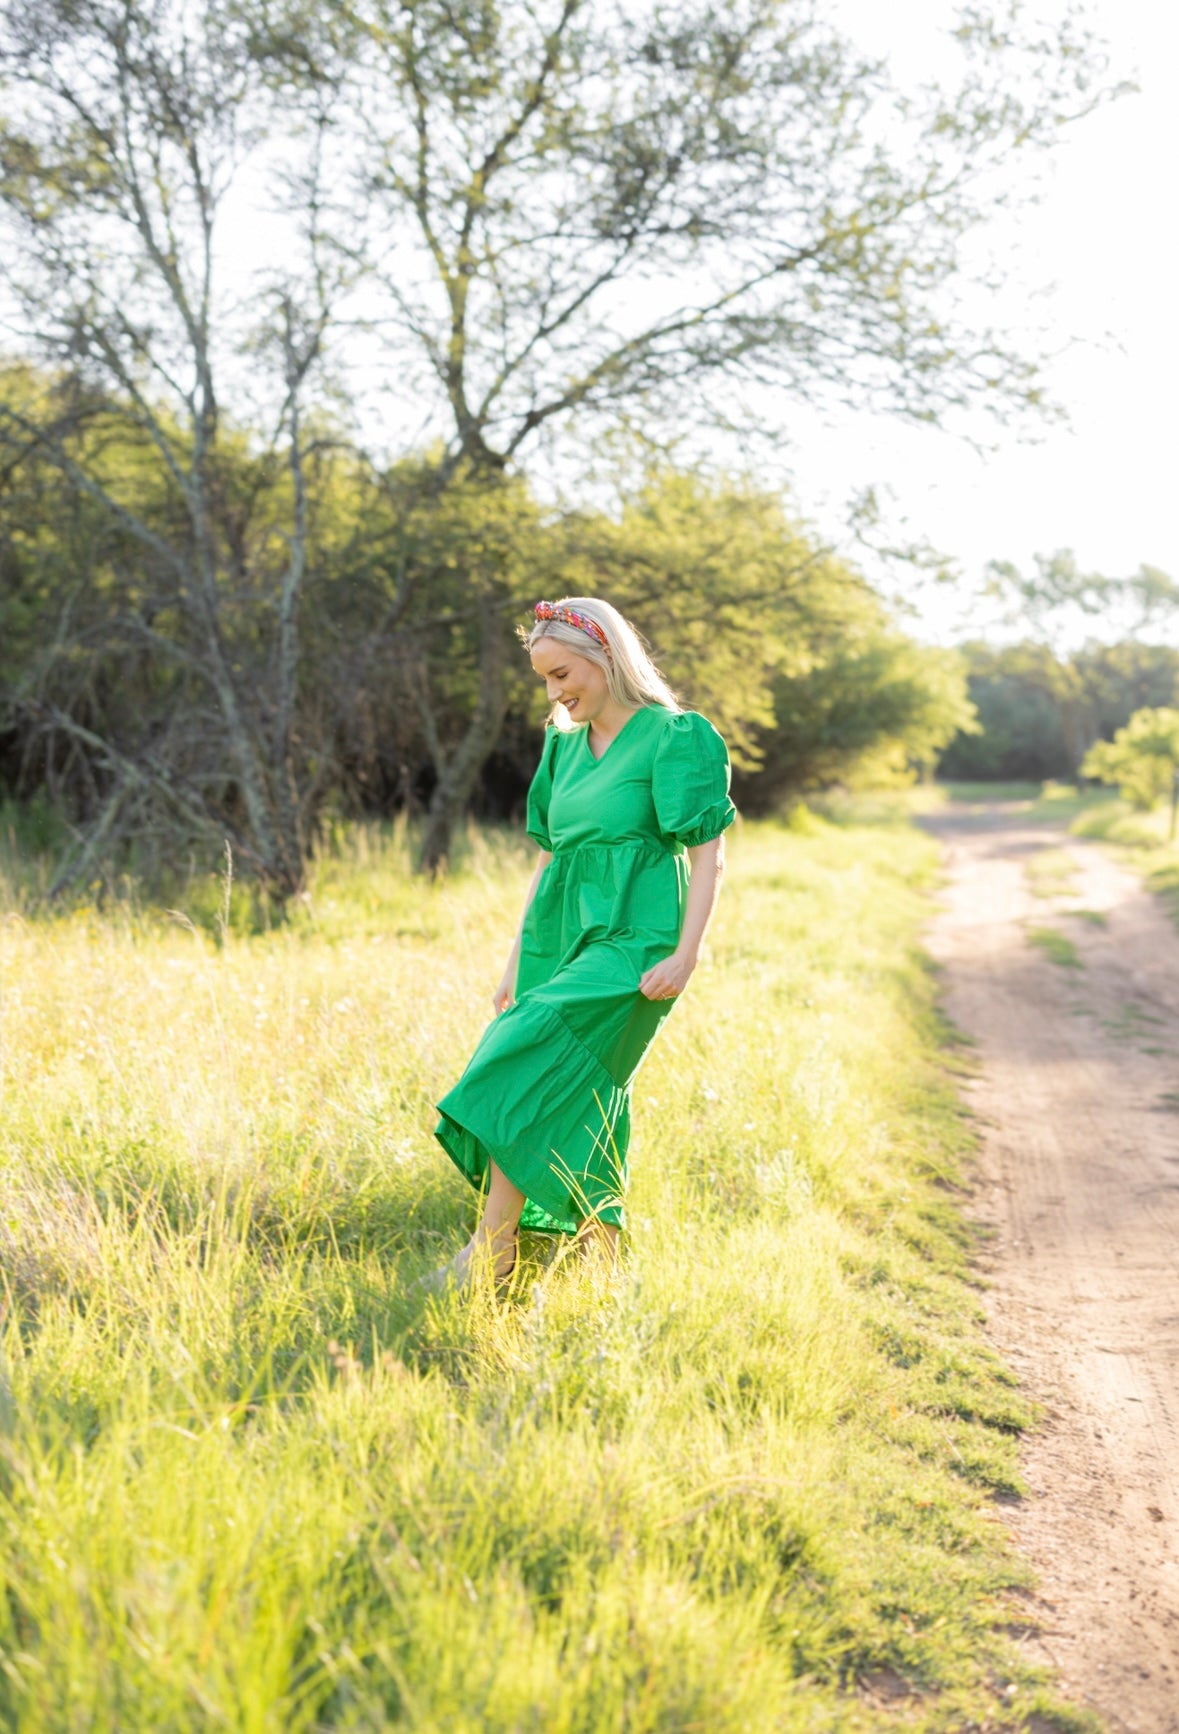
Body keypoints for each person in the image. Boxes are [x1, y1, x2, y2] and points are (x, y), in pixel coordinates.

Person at [427, 595, 735, 1290]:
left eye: (563, 673)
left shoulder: (673, 735)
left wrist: (687, 954)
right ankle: (603, 1263)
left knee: (520, 1055)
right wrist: (513, 960)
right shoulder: (561, 744)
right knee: (593, 1091)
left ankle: (491, 1248)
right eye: (544, 678)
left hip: (636, 936)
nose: (556, 691)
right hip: (555, 935)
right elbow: (546, 857)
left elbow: (708, 853)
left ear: (605, 658)